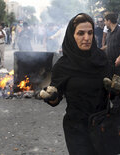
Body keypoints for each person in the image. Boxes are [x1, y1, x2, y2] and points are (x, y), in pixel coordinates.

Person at [40, 13, 112, 155]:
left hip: (103, 125)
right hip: (77, 129)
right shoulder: (63, 66)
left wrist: (118, 89)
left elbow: (113, 94)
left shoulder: (101, 59)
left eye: (90, 33)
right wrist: (51, 96)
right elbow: (56, 100)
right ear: (71, 36)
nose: (87, 38)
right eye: (80, 33)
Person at [104, 12, 120, 99]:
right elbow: (109, 45)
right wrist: (101, 49)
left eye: (105, 21)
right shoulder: (109, 32)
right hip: (110, 64)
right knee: (112, 86)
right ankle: (115, 103)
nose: (104, 23)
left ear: (109, 21)